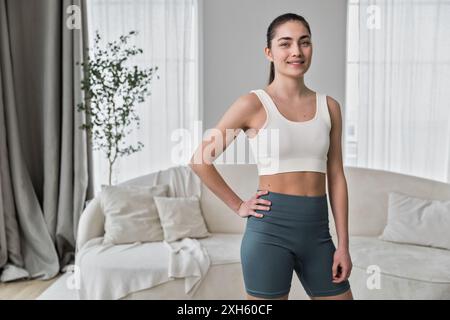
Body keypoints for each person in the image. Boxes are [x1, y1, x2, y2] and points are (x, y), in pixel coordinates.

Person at [189, 13, 353, 300]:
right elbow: (200, 159)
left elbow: (336, 177)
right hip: (268, 233)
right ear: (269, 52)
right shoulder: (252, 104)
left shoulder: (330, 107)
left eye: (304, 43)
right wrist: (239, 205)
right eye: (285, 43)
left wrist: (344, 245)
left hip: (318, 234)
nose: (296, 52)